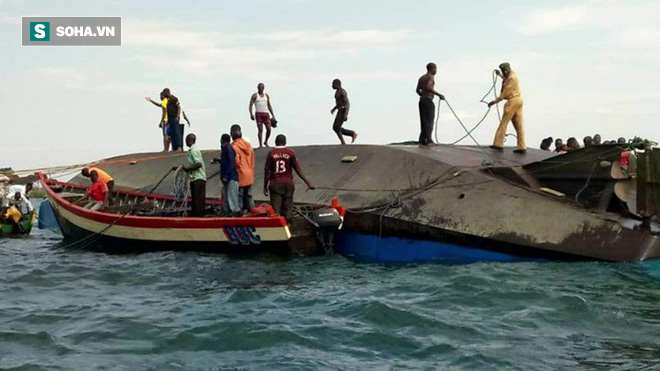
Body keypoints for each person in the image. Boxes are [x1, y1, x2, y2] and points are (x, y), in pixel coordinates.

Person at [264, 134, 315, 221]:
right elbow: (298, 169)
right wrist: (308, 183)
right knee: (288, 207)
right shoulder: (291, 153)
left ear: (275, 142)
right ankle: (289, 224)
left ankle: (278, 227)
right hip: (288, 184)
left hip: (275, 184)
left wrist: (265, 186)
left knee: (276, 210)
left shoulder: (271, 153)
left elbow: (267, 171)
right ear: (285, 142)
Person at [489, 62, 526, 153]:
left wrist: (494, 102)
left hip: (512, 100)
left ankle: (498, 144)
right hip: (519, 100)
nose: (504, 72)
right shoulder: (512, 75)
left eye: (504, 71)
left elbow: (504, 94)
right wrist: (500, 75)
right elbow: (506, 79)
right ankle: (521, 147)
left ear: (507, 69)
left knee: (504, 122)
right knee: (519, 125)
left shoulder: (511, 79)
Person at [173, 134, 207, 217]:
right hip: (193, 178)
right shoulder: (190, 151)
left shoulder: (194, 150)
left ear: (189, 140)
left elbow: (199, 164)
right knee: (195, 200)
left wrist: (187, 169)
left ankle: (199, 217)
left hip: (198, 178)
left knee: (199, 200)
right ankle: (195, 216)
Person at [416, 63, 445, 145]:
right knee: (429, 120)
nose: (436, 71)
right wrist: (439, 95)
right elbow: (429, 87)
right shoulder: (430, 77)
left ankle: (422, 139)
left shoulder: (422, 78)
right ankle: (429, 140)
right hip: (428, 101)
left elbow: (418, 90)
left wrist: (423, 96)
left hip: (422, 101)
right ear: (431, 69)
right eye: (435, 69)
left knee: (423, 120)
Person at [212, 134, 240, 216]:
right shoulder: (229, 148)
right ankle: (228, 213)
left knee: (231, 197)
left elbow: (231, 162)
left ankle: (234, 213)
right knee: (226, 197)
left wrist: (226, 176)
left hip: (230, 177)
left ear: (222, 140)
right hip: (230, 177)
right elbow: (228, 162)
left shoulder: (227, 148)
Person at [231, 125, 255, 214]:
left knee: (239, 196)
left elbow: (236, 162)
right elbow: (252, 160)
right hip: (249, 173)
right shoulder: (249, 146)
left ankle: (240, 215)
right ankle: (254, 213)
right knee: (249, 196)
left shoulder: (234, 147)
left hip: (240, 174)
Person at [249, 83, 277, 148]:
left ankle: (266, 141)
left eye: (262, 87)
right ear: (257, 88)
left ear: (263, 88)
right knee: (260, 130)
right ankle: (260, 144)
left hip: (266, 113)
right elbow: (250, 105)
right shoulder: (255, 96)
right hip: (259, 114)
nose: (261, 88)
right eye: (259, 87)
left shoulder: (266, 95)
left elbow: (269, 105)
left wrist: (273, 115)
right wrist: (251, 114)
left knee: (269, 129)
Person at [331, 79, 358, 145]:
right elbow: (339, 103)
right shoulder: (337, 92)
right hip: (339, 110)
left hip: (343, 110)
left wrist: (346, 114)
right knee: (335, 127)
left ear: (337, 84)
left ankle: (344, 141)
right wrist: (334, 108)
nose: (332, 86)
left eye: (333, 84)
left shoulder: (342, 92)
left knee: (337, 127)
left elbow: (347, 103)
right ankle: (351, 134)